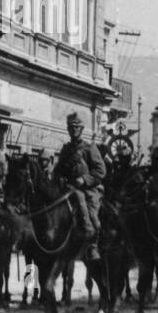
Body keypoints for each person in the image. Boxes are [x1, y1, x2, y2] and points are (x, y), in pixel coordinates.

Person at [53, 112, 105, 262]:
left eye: (76, 127)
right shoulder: (66, 150)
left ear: (81, 129)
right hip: (67, 189)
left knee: (93, 218)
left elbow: (101, 171)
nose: (73, 130)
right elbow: (58, 170)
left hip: (87, 190)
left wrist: (84, 179)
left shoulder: (89, 148)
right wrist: (59, 179)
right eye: (71, 127)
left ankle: (92, 244)